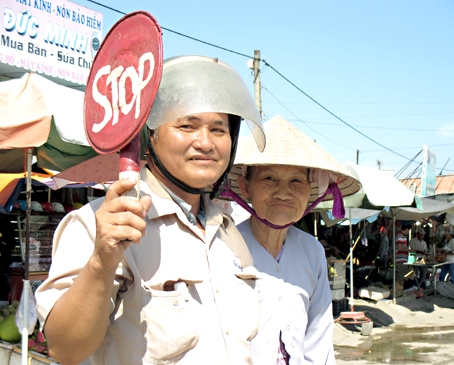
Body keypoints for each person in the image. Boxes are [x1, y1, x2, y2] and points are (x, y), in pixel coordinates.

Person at [35, 55, 266, 365]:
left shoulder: (226, 229)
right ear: (151, 137)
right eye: (187, 125)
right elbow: (65, 349)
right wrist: (102, 261)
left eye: (219, 130)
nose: (205, 142)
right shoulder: (102, 224)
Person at [227, 116, 360, 364]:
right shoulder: (224, 247)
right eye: (269, 178)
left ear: (310, 189)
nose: (284, 192)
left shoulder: (312, 251)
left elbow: (318, 341)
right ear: (246, 187)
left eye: (296, 180)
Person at [395, 222, 412, 287]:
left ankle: (399, 290)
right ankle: (400, 290)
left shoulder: (401, 236)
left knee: (401, 276)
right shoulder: (400, 236)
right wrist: (410, 250)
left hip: (402, 259)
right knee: (401, 277)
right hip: (401, 259)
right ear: (407, 229)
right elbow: (400, 248)